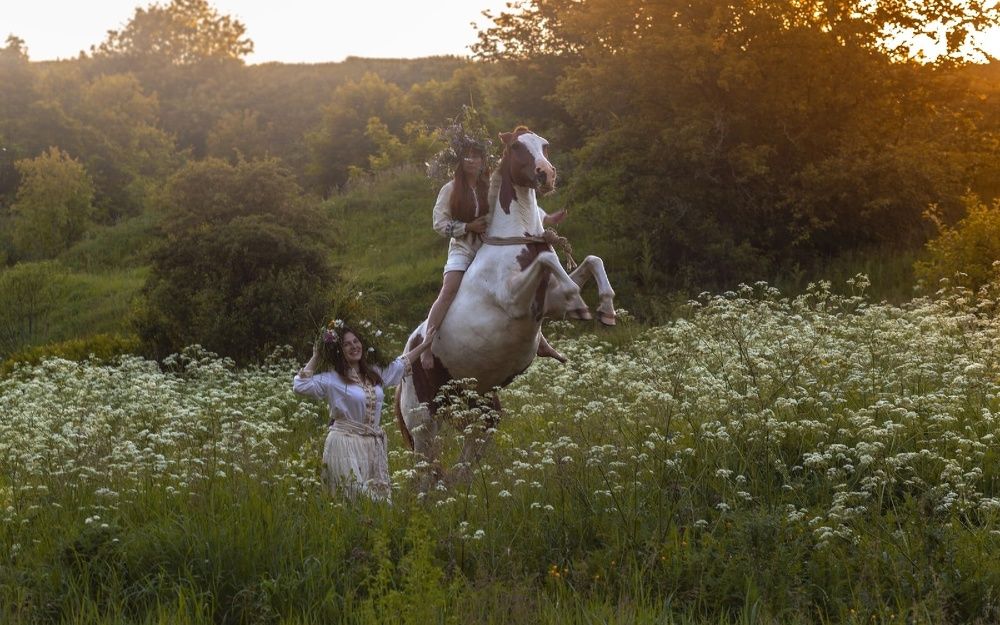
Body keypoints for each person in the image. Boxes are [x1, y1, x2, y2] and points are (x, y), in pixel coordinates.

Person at [421, 140, 569, 369]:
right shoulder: (449, 189)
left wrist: (547, 218)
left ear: (483, 161)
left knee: (525, 286)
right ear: (459, 161)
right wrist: (468, 227)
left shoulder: (492, 186)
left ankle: (539, 341)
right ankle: (425, 348)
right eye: (467, 156)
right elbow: (439, 223)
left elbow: (518, 205)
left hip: (493, 247)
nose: (471, 160)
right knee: (448, 290)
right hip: (463, 249)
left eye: (476, 156)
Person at [293, 324, 434, 501]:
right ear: (339, 351)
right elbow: (300, 385)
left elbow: (401, 363)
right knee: (354, 499)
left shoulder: (374, 373)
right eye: (347, 344)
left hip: (372, 446)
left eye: (356, 341)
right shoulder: (332, 379)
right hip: (345, 444)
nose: (353, 346)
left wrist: (425, 344)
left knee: (379, 503)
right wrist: (317, 355)